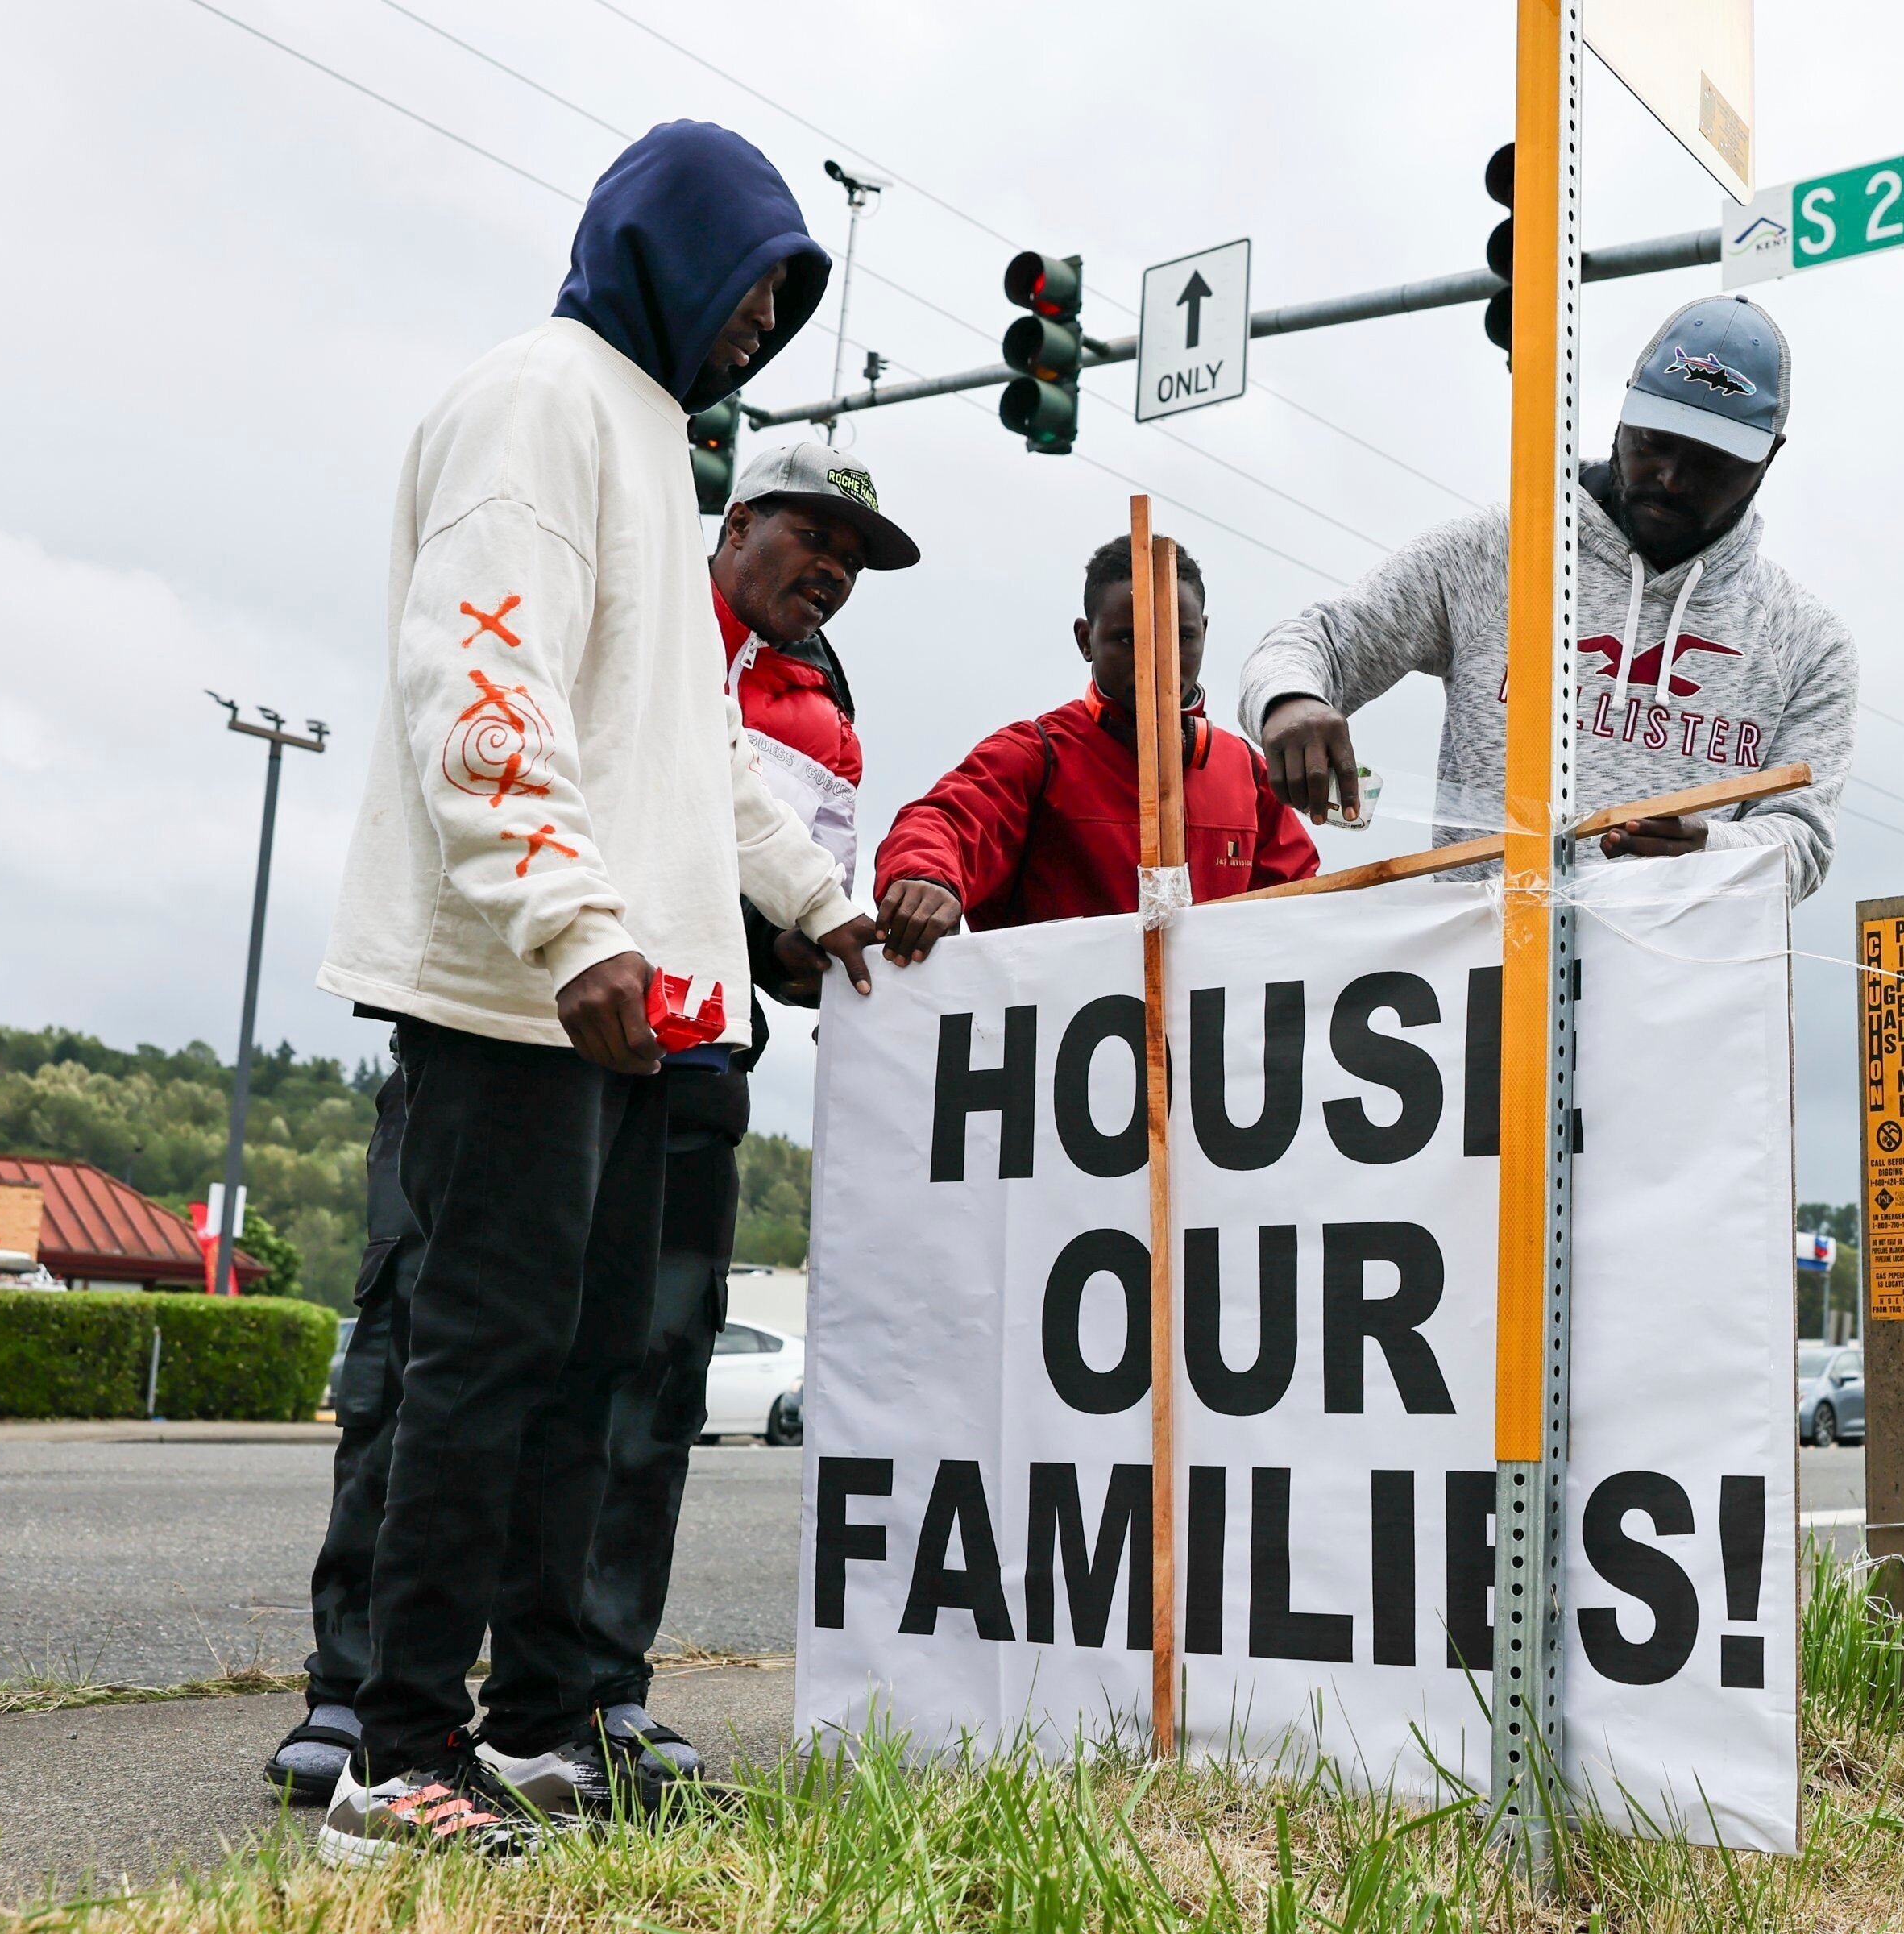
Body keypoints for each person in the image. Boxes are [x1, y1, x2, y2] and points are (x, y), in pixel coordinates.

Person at [309, 123, 880, 1863]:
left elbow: (687, 742)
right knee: (474, 1370)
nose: (758, 327)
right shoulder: (538, 401)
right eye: (752, 289)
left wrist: (819, 903)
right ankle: (392, 1755)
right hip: (516, 997)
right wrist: (572, 929)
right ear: (667, 246)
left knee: (584, 1378)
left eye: (786, 307)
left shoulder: (654, 441)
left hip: (626, 1011)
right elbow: (477, 672)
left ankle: (541, 1724)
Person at [1238, 293, 1854, 897]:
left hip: (1679, 986)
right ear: (1623, 413)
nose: (1670, 479)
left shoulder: (1805, 642)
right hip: (1492, 983)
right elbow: (1318, 641)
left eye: (1710, 463)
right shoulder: (1506, 553)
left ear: (1768, 459)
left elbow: (1803, 842)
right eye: (1654, 442)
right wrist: (1291, 700)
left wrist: (1710, 850)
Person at [873, 536, 1318, 957]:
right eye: (1129, 639)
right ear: (1086, 639)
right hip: (1049, 1032)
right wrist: (925, 877)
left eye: (1181, 637)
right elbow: (944, 822)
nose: (1158, 658)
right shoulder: (1037, 754)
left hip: (1206, 1036)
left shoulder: (1246, 771)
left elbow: (1302, 904)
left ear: (1203, 631)